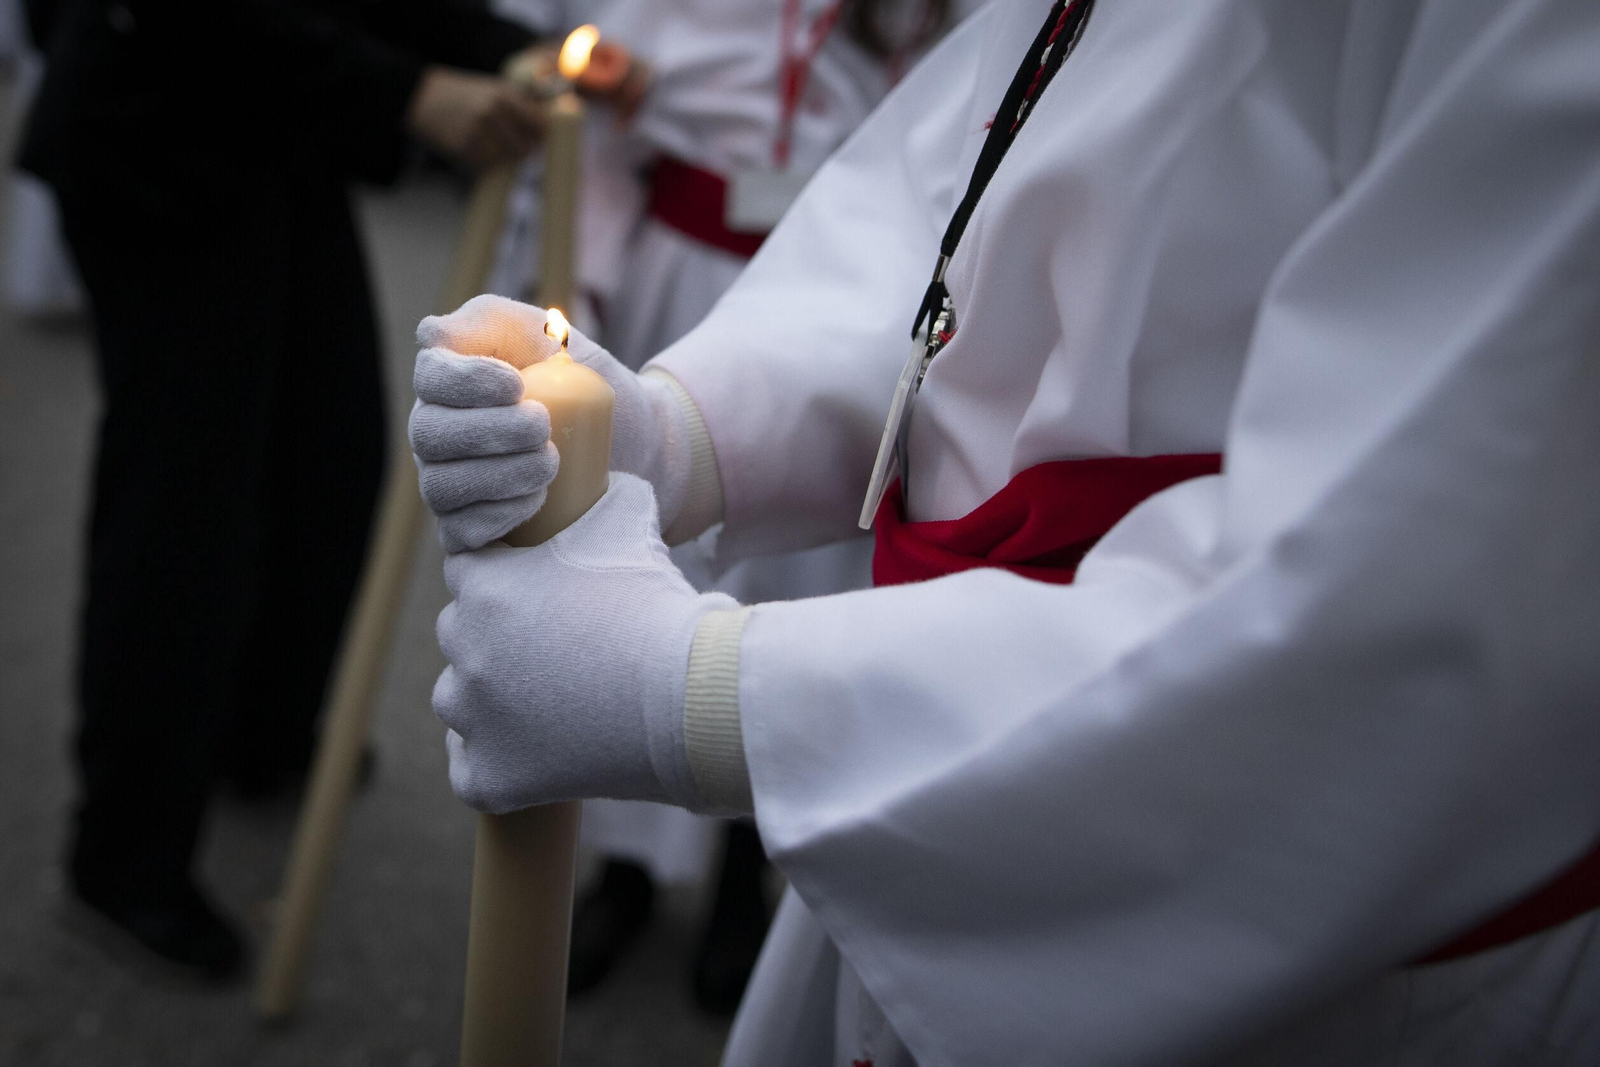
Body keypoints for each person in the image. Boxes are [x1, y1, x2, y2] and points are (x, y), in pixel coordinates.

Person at [409, 0, 1600, 1062]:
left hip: (1302, 949)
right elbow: (967, 207)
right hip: (967, 737)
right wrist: (680, 433)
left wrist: (699, 695)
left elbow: (1400, 601)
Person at [17, 0, 555, 981]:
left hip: (280, 139)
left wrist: (498, 47)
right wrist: (410, 89)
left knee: (329, 463)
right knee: (186, 512)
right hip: (160, 135)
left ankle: (257, 734)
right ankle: (124, 852)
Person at [484, 0, 973, 1010]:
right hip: (684, 288)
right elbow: (606, 154)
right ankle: (619, 866)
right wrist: (574, 293)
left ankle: (741, 878)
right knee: (647, 568)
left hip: (843, 318)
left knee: (795, 596)